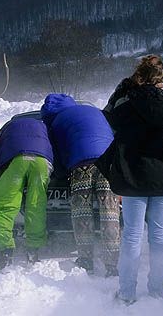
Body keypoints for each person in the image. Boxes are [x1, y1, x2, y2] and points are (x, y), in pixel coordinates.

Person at [96, 55, 163, 304]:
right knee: (158, 235)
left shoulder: (125, 103)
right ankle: (156, 290)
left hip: (132, 175)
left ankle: (127, 292)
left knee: (132, 235)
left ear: (138, 74)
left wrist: (125, 88)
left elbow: (107, 118)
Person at [40, 94, 120, 277]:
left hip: (82, 163)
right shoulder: (94, 111)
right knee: (110, 211)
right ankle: (112, 265)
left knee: (82, 212)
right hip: (109, 162)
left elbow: (57, 154)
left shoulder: (57, 121)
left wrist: (60, 175)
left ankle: (85, 260)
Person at [0, 116, 53, 270]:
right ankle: (33, 249)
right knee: (36, 205)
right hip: (41, 161)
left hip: (16, 160)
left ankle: (4, 250)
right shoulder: (44, 127)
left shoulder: (10, 125)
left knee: (5, 205)